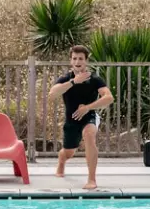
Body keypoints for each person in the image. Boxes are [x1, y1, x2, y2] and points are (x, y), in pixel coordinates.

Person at [48, 45, 114, 190]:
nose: (77, 62)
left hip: (89, 116)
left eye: (81, 59)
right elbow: (52, 94)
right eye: (75, 58)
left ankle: (91, 179)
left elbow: (109, 98)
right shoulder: (66, 78)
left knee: (89, 134)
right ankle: (61, 161)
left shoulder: (94, 79)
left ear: (86, 61)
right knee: (68, 152)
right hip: (71, 120)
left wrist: (88, 107)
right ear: (71, 61)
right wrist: (73, 82)